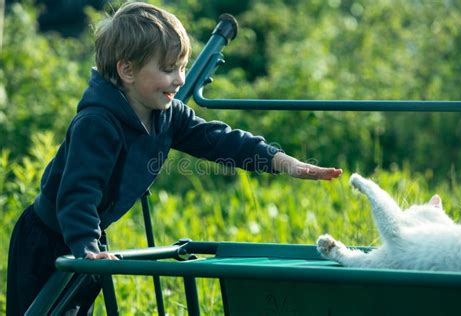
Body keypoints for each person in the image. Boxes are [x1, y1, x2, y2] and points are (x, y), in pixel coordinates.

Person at [6, 2, 343, 315]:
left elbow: (221, 141)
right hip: (49, 240)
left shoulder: (168, 115)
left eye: (181, 67)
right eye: (168, 69)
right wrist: (86, 247)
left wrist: (280, 161)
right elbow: (79, 192)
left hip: (88, 236)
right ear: (127, 70)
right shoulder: (97, 123)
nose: (180, 80)